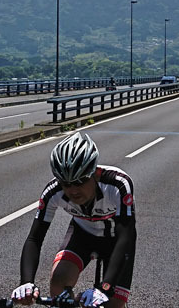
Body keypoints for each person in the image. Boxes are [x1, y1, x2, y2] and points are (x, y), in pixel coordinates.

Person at [10, 132, 136, 308]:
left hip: (116, 241)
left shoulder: (118, 184)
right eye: (66, 184)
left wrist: (105, 287)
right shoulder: (53, 192)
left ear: (93, 173)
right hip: (83, 234)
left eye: (80, 181)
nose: (73, 190)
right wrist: (26, 282)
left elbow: (126, 236)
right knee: (58, 281)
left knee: (112, 303)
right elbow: (34, 238)